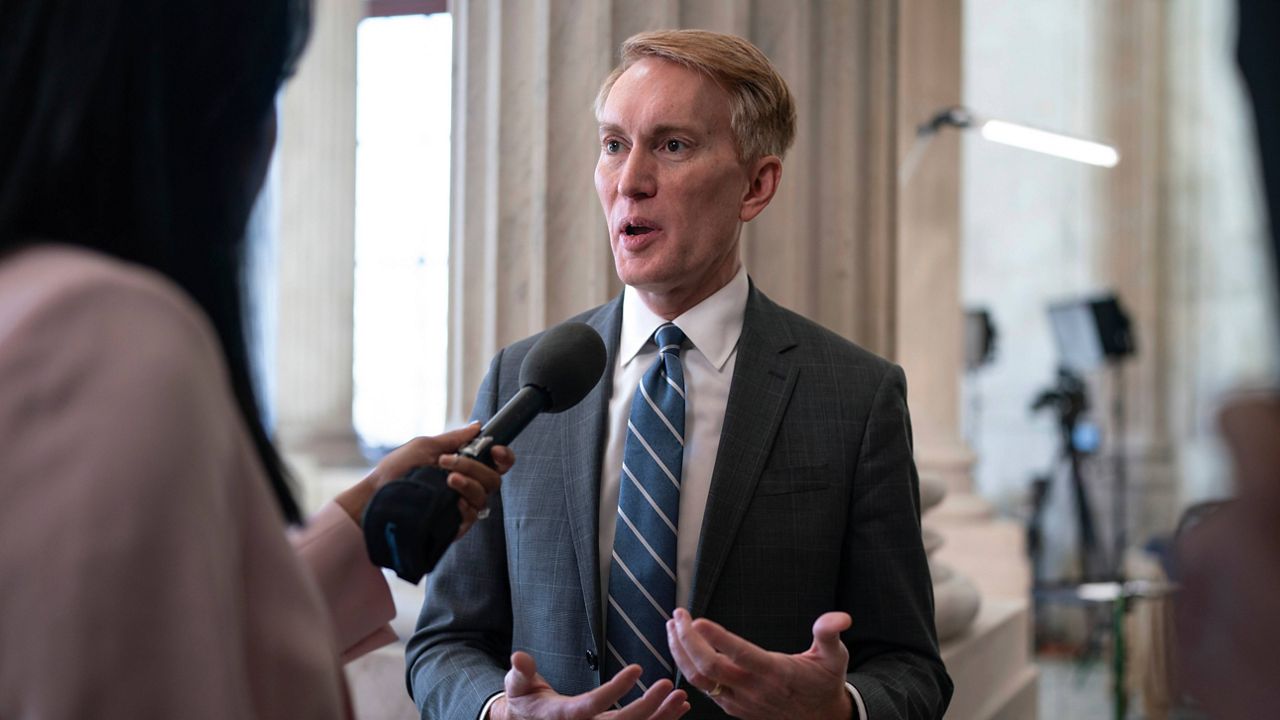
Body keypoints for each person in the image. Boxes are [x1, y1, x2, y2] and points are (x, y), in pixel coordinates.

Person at [408, 29, 951, 720]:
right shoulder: (523, 379)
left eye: (672, 146)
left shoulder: (856, 396)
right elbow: (444, 642)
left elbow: (912, 669)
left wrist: (841, 708)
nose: (630, 180)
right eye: (613, 144)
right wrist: (499, 712)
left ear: (756, 186)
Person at [0, 1, 510, 716]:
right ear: (195, 113)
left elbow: (175, 628)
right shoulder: (101, 332)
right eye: (267, 89)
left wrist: (362, 518)